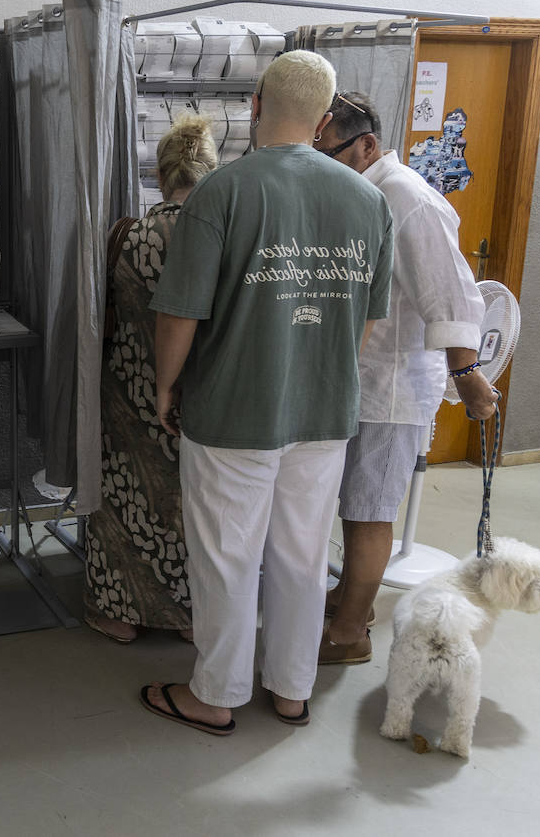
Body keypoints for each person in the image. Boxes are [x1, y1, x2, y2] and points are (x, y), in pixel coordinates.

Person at [139, 51, 393, 735]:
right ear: (325, 115)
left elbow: (179, 314)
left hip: (232, 411)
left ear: (254, 103)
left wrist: (166, 387)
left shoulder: (220, 193)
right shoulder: (369, 199)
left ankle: (215, 694)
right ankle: (290, 689)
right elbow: (368, 319)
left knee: (227, 557)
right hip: (325, 410)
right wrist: (322, 372)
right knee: (303, 555)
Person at [314, 90, 499, 664]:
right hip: (359, 378)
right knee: (352, 505)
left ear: (368, 144)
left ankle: (349, 635)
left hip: (390, 386)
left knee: (368, 513)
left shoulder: (409, 198)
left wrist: (467, 373)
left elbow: (450, 293)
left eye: (334, 156)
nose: (326, 171)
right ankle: (351, 599)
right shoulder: (364, 191)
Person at [84, 114, 220, 644]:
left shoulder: (131, 233)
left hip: (128, 384)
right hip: (202, 391)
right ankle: (190, 617)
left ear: (161, 175)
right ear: (212, 172)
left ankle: (118, 614)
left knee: (124, 497)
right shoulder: (221, 233)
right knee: (198, 505)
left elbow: (103, 312)